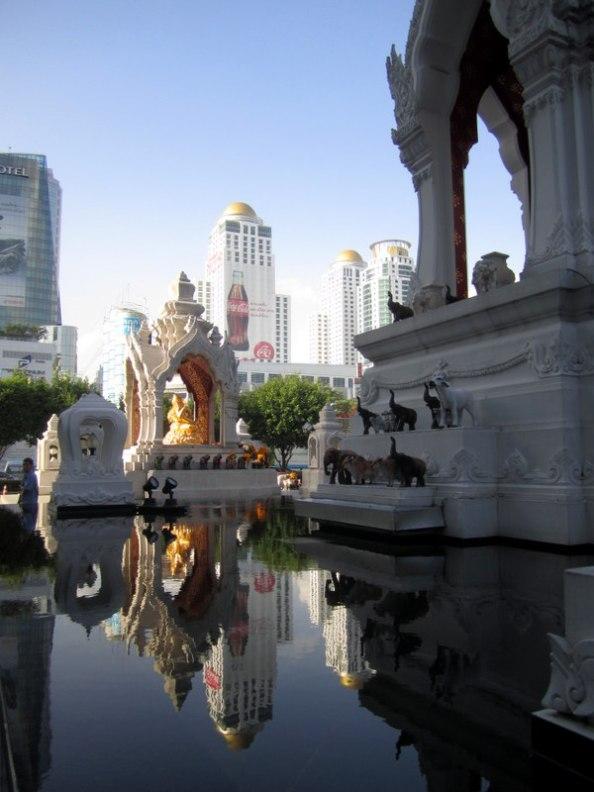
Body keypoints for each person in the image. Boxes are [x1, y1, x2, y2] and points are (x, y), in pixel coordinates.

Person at [19, 457, 38, 531]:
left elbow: (27, 489)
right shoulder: (26, 475)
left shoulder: (32, 476)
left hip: (30, 503)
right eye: (24, 465)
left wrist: (22, 489)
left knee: (28, 523)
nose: (24, 466)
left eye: (26, 465)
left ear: (31, 465)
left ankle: (28, 532)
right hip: (27, 503)